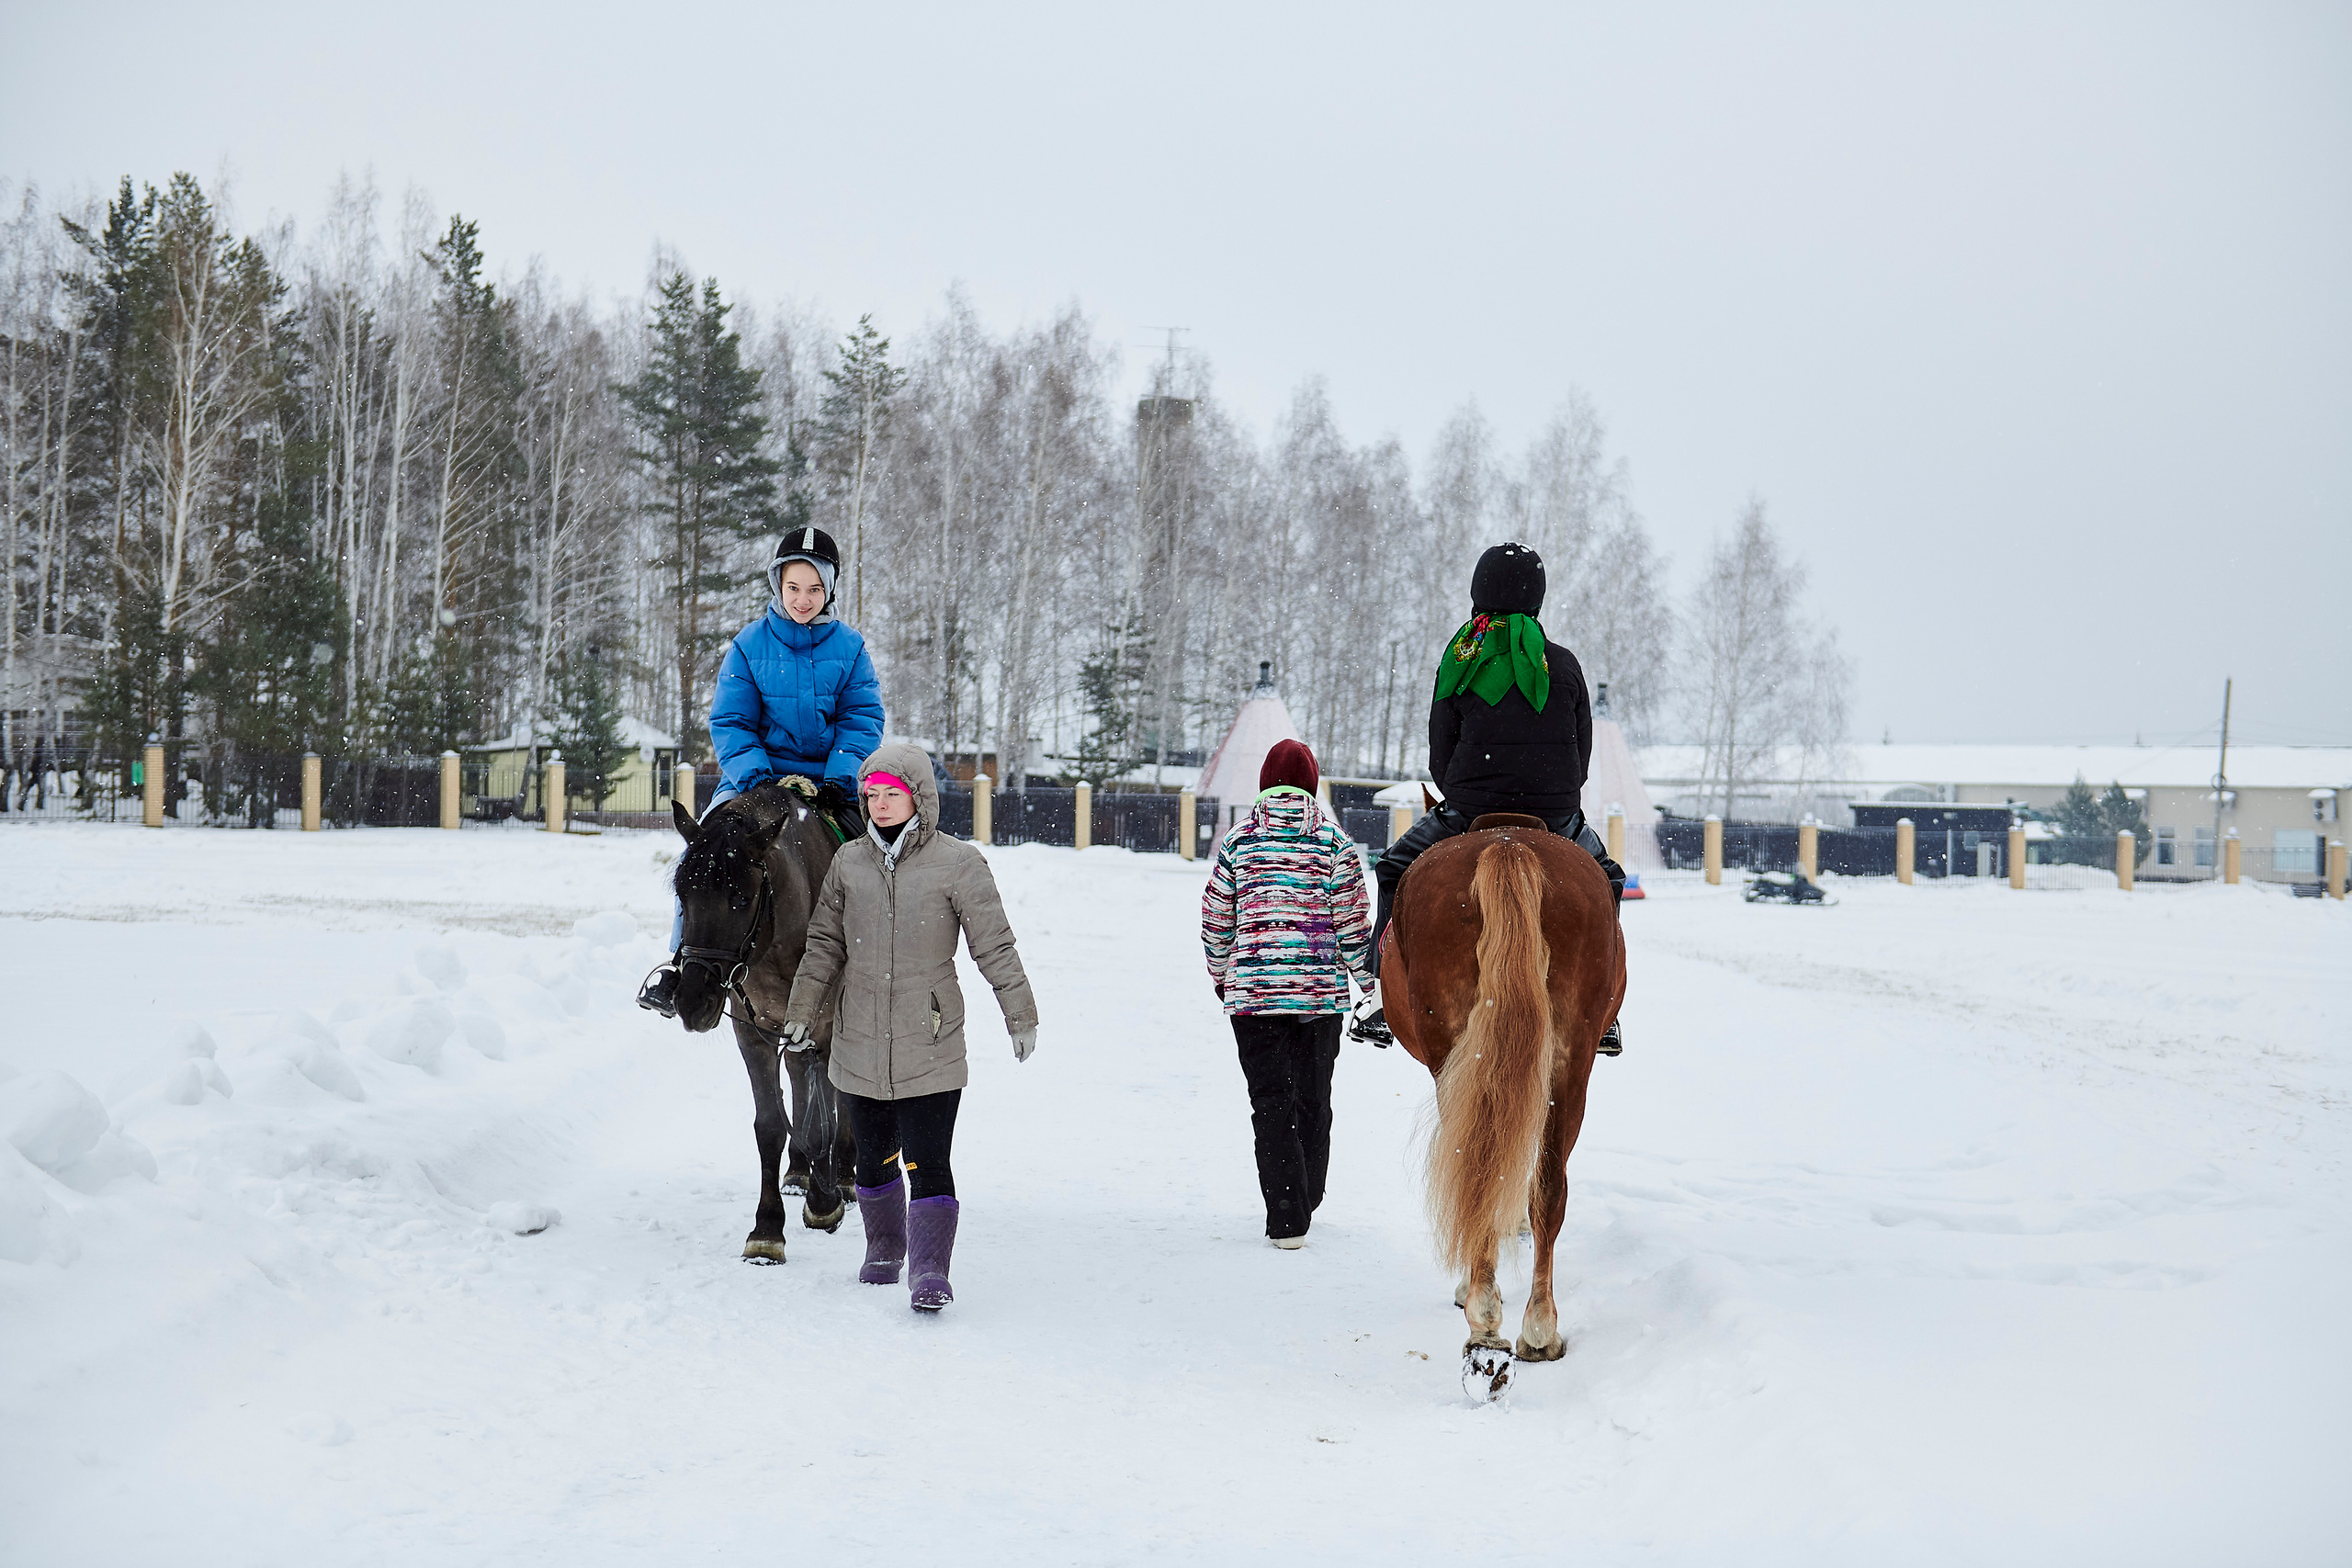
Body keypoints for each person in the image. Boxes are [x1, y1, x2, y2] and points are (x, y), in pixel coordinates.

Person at [776, 740, 1038, 1312]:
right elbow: (824, 945)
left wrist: (1019, 1015)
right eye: (871, 794)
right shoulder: (849, 862)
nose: (879, 804)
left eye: (890, 794)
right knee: (872, 1159)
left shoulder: (959, 863)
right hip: (859, 1037)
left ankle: (930, 1269)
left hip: (930, 1037)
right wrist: (801, 1011)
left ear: (919, 797)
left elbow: (994, 945)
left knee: (928, 1159)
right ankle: (885, 1247)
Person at [1350, 541, 1626, 1055]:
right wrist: (1552, 796)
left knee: (1392, 869)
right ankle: (1604, 1008)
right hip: (1556, 816)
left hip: (1468, 813)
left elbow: (1440, 754)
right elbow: (1582, 757)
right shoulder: (1564, 665)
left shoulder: (1461, 659)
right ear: (1537, 599)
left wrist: (1467, 792)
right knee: (1607, 880)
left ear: (1479, 593)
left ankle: (1378, 999)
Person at [639, 526, 885, 1017]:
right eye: (793, 587)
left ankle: (879, 962)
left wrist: (839, 778)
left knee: (874, 854)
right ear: (778, 584)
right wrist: (756, 776)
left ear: (829, 589)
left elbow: (862, 719)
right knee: (703, 851)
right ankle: (679, 962)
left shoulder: (851, 648)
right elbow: (732, 720)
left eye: (814, 588)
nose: (803, 599)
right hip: (754, 778)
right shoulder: (749, 645)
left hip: (829, 784)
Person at [1200, 738, 1374, 1249]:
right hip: (1319, 999)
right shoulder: (1335, 843)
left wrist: (1222, 975)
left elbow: (1216, 919)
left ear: (1264, 785)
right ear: (1312, 786)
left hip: (1254, 998)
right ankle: (1307, 1196)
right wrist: (1369, 983)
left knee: (1271, 1103)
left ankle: (1287, 1219)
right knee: (1314, 1099)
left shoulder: (1238, 841)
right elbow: (1352, 924)